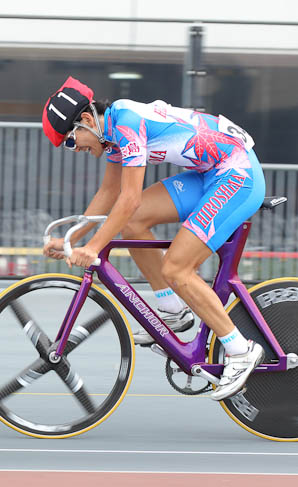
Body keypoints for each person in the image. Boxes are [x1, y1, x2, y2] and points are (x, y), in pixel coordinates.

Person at [41, 76, 265, 401]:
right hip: (211, 173)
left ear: (87, 121)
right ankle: (174, 312)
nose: (74, 150)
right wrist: (72, 239)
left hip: (237, 174)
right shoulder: (114, 130)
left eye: (71, 142)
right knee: (133, 223)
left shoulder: (127, 126)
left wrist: (92, 249)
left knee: (177, 269)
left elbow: (128, 197)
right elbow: (109, 194)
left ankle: (239, 349)